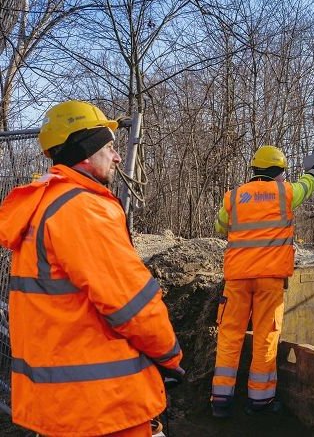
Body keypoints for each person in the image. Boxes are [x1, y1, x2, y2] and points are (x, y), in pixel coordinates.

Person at [0, 100, 185, 436]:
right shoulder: (82, 209)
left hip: (62, 403)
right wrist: (170, 356)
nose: (116, 157)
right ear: (86, 151)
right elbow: (132, 304)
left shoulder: (42, 205)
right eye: (110, 147)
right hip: (106, 406)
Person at [210, 143, 314, 418]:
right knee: (265, 337)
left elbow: (220, 226)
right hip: (269, 281)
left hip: (236, 281)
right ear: (280, 171)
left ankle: (220, 401)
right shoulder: (287, 193)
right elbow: (312, 179)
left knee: (229, 336)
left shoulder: (233, 197)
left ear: (255, 170)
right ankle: (260, 400)